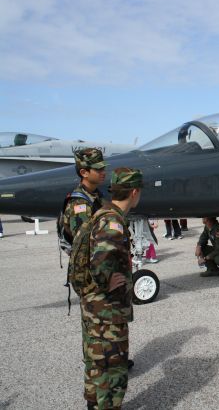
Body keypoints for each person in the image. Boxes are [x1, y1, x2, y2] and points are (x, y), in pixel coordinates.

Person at [81, 167, 143, 410]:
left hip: (93, 305)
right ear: (134, 192)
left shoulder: (102, 212)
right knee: (113, 366)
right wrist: (106, 281)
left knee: (96, 361)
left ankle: (93, 403)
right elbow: (100, 259)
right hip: (106, 310)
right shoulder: (113, 221)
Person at [61, 148, 107, 242]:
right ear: (84, 173)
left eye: (103, 168)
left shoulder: (97, 195)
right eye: (98, 169)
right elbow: (83, 242)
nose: (103, 172)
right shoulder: (79, 203)